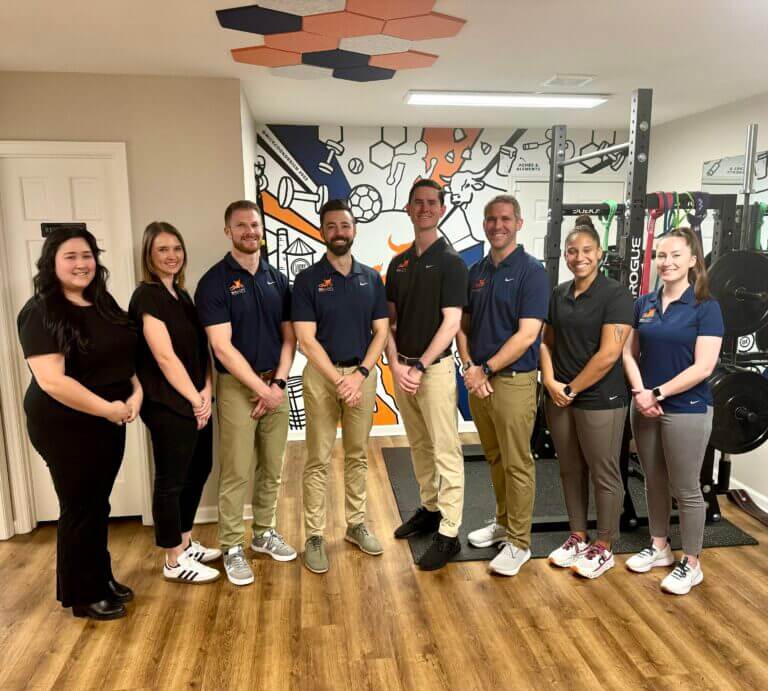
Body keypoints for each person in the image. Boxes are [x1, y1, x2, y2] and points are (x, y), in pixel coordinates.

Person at [17, 227, 141, 620]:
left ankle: (100, 576)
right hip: (66, 423)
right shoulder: (40, 312)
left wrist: (134, 393)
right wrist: (108, 409)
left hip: (110, 417)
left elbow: (125, 354)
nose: (81, 264)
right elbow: (52, 381)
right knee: (79, 506)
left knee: (97, 503)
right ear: (52, 263)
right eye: (70, 256)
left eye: (86, 255)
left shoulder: (102, 302)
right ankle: (82, 594)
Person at [195, 200, 297, 586]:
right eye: (241, 226)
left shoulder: (277, 277)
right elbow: (221, 347)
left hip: (276, 383)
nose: (250, 231)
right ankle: (233, 546)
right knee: (236, 469)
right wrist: (261, 389)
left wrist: (278, 384)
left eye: (254, 225)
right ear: (228, 231)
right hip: (238, 387)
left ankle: (264, 532)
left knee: (272, 466)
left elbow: (291, 338)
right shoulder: (214, 282)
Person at [623, 227, 723, 595]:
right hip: (644, 406)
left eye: (676, 255)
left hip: (686, 409)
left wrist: (657, 393)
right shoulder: (644, 303)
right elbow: (628, 354)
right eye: (662, 255)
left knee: (686, 487)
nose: (667, 262)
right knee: (653, 480)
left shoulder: (706, 307)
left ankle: (692, 563)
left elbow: (704, 367)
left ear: (693, 260)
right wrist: (640, 392)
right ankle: (660, 546)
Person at [292, 199, 389, 574]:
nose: (339, 232)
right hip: (321, 376)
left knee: (357, 455)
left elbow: (380, 331)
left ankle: (356, 525)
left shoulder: (371, 278)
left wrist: (361, 375)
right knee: (317, 457)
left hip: (362, 376)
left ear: (354, 230)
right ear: (322, 232)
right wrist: (339, 380)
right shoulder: (307, 280)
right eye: (331, 226)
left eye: (344, 226)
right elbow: (306, 339)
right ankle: (314, 535)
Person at [457, 194, 549, 576]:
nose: (498, 225)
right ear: (484, 224)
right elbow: (462, 325)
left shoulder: (532, 271)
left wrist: (486, 369)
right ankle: (503, 522)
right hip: (479, 381)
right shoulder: (475, 271)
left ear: (519, 224)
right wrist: (469, 366)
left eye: (506, 219)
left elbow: (528, 334)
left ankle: (520, 543)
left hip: (512, 382)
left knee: (516, 463)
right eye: (492, 219)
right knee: (494, 458)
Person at [539, 216, 633, 578]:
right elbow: (546, 342)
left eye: (587, 251)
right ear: (565, 255)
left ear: (600, 254)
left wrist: (572, 388)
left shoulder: (616, 295)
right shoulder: (559, 293)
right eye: (573, 251)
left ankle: (605, 546)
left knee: (604, 472)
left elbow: (609, 354)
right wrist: (549, 381)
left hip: (599, 399)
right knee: (569, 469)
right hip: (559, 396)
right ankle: (577, 536)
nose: (579, 257)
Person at [129, 222, 220, 584]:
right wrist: (195, 398)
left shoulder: (182, 296)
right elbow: (164, 358)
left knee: (198, 470)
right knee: (171, 480)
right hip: (169, 403)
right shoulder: (146, 297)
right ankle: (173, 560)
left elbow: (202, 352)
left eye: (177, 249)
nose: (172, 256)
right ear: (149, 256)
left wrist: (207, 392)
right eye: (162, 250)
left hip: (197, 397)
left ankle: (185, 542)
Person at [385, 179, 469, 571]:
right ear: (408, 208)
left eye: (431, 203)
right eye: (417, 202)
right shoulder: (398, 264)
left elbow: (452, 322)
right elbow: (388, 322)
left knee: (445, 449)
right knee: (418, 445)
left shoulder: (451, 262)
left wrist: (418, 367)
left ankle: (450, 531)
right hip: (402, 369)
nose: (424, 208)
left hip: (432, 372)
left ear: (442, 208)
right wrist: (397, 364)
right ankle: (431, 509)